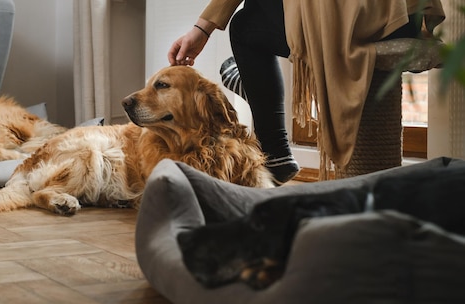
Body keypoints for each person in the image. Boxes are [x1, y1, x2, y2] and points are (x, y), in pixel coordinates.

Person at [167, 0, 443, 184]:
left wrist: (202, 28)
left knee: (244, 24)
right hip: (406, 17)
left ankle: (274, 150)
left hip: (361, 20)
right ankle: (254, 90)